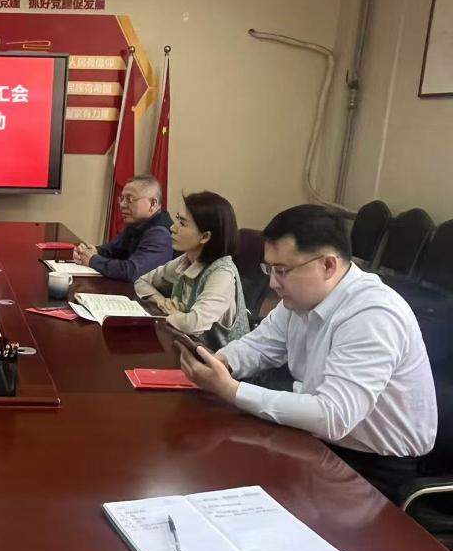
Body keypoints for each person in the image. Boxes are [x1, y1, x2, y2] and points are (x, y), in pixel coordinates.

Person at [179, 204, 437, 503]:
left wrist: (231, 390)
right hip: (318, 441)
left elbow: (333, 416)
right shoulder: (300, 299)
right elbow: (259, 345)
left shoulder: (372, 313)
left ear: (328, 266)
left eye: (282, 271)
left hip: (374, 470)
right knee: (215, 473)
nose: (272, 282)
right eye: (269, 269)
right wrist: (220, 361)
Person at [135, 191, 250, 348]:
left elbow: (194, 324)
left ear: (205, 236)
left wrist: (173, 314)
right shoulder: (187, 259)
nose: (172, 227)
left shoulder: (222, 273)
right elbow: (142, 282)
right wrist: (161, 302)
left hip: (219, 358)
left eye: (182, 223)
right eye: (177, 219)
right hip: (187, 346)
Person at [72, 174, 173, 281]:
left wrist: (93, 260)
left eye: (129, 199)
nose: (122, 205)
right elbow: (112, 250)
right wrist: (91, 251)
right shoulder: (136, 224)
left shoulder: (160, 233)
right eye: (122, 199)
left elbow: (133, 272)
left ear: (153, 203)